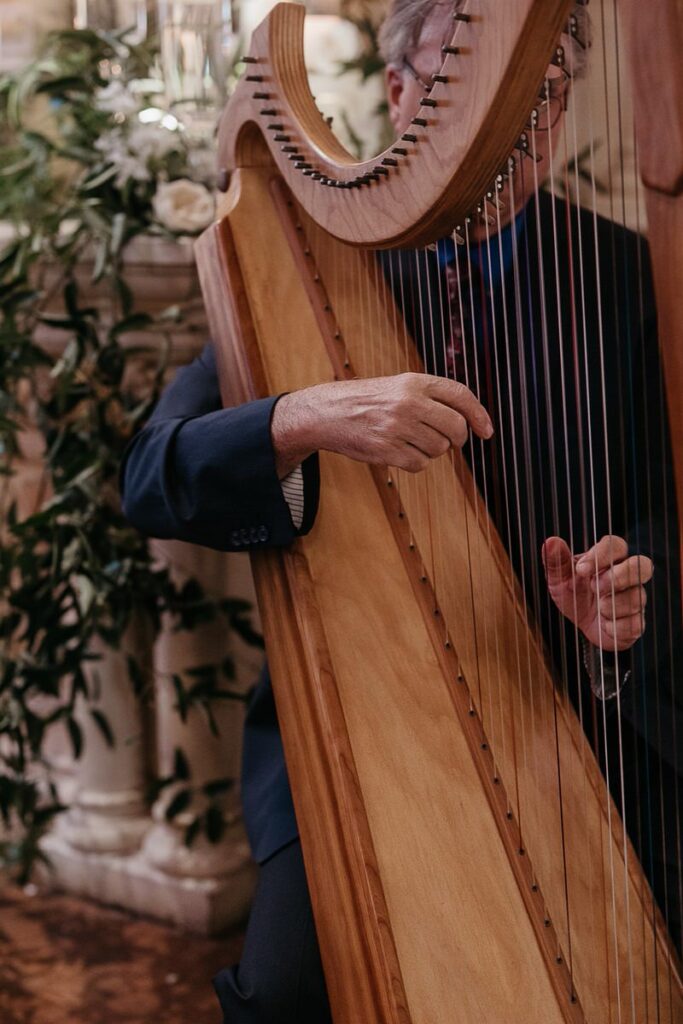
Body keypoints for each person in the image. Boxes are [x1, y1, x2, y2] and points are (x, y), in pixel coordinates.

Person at [120, 1, 681, 1020]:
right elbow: (151, 475)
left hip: (582, 712)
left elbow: (660, 516)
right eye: (492, 107)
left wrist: (621, 601)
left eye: (543, 103)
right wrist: (301, 416)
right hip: (352, 699)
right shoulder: (308, 256)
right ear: (402, 102)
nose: (522, 136)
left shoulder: (616, 275)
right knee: (291, 986)